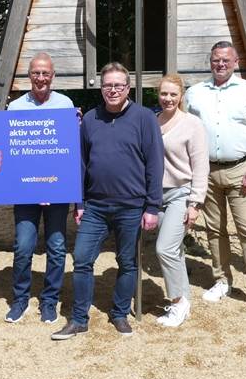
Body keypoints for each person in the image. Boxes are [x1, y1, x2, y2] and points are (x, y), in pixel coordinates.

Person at [51, 62, 163, 340]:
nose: (112, 90)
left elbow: (154, 162)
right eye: (107, 85)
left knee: (127, 262)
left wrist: (152, 206)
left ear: (128, 88)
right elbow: (80, 163)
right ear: (100, 88)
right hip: (95, 206)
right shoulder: (90, 119)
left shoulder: (144, 118)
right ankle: (78, 319)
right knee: (82, 260)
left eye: (118, 85)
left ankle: (120, 313)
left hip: (132, 205)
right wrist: (78, 202)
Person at [185, 41, 246, 319]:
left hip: (242, 169)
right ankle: (222, 280)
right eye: (216, 60)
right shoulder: (195, 93)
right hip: (206, 170)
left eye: (226, 59)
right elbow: (185, 127)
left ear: (236, 61)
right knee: (215, 229)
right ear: (210, 61)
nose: (220, 64)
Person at [4, 53, 75, 324]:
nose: (41, 78)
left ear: (52, 76)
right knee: (23, 246)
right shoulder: (16, 107)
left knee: (56, 246)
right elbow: (11, 151)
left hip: (56, 190)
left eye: (45, 73)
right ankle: (20, 299)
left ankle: (49, 300)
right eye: (36, 73)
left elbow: (68, 150)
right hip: (25, 190)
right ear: (29, 76)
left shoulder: (65, 104)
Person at [154, 74, 209, 328]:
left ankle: (177, 301)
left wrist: (195, 203)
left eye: (173, 94)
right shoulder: (154, 122)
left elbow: (200, 166)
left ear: (181, 96)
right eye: (164, 94)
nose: (168, 98)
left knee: (164, 248)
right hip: (157, 195)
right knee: (174, 250)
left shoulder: (192, 124)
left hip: (181, 193)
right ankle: (184, 302)